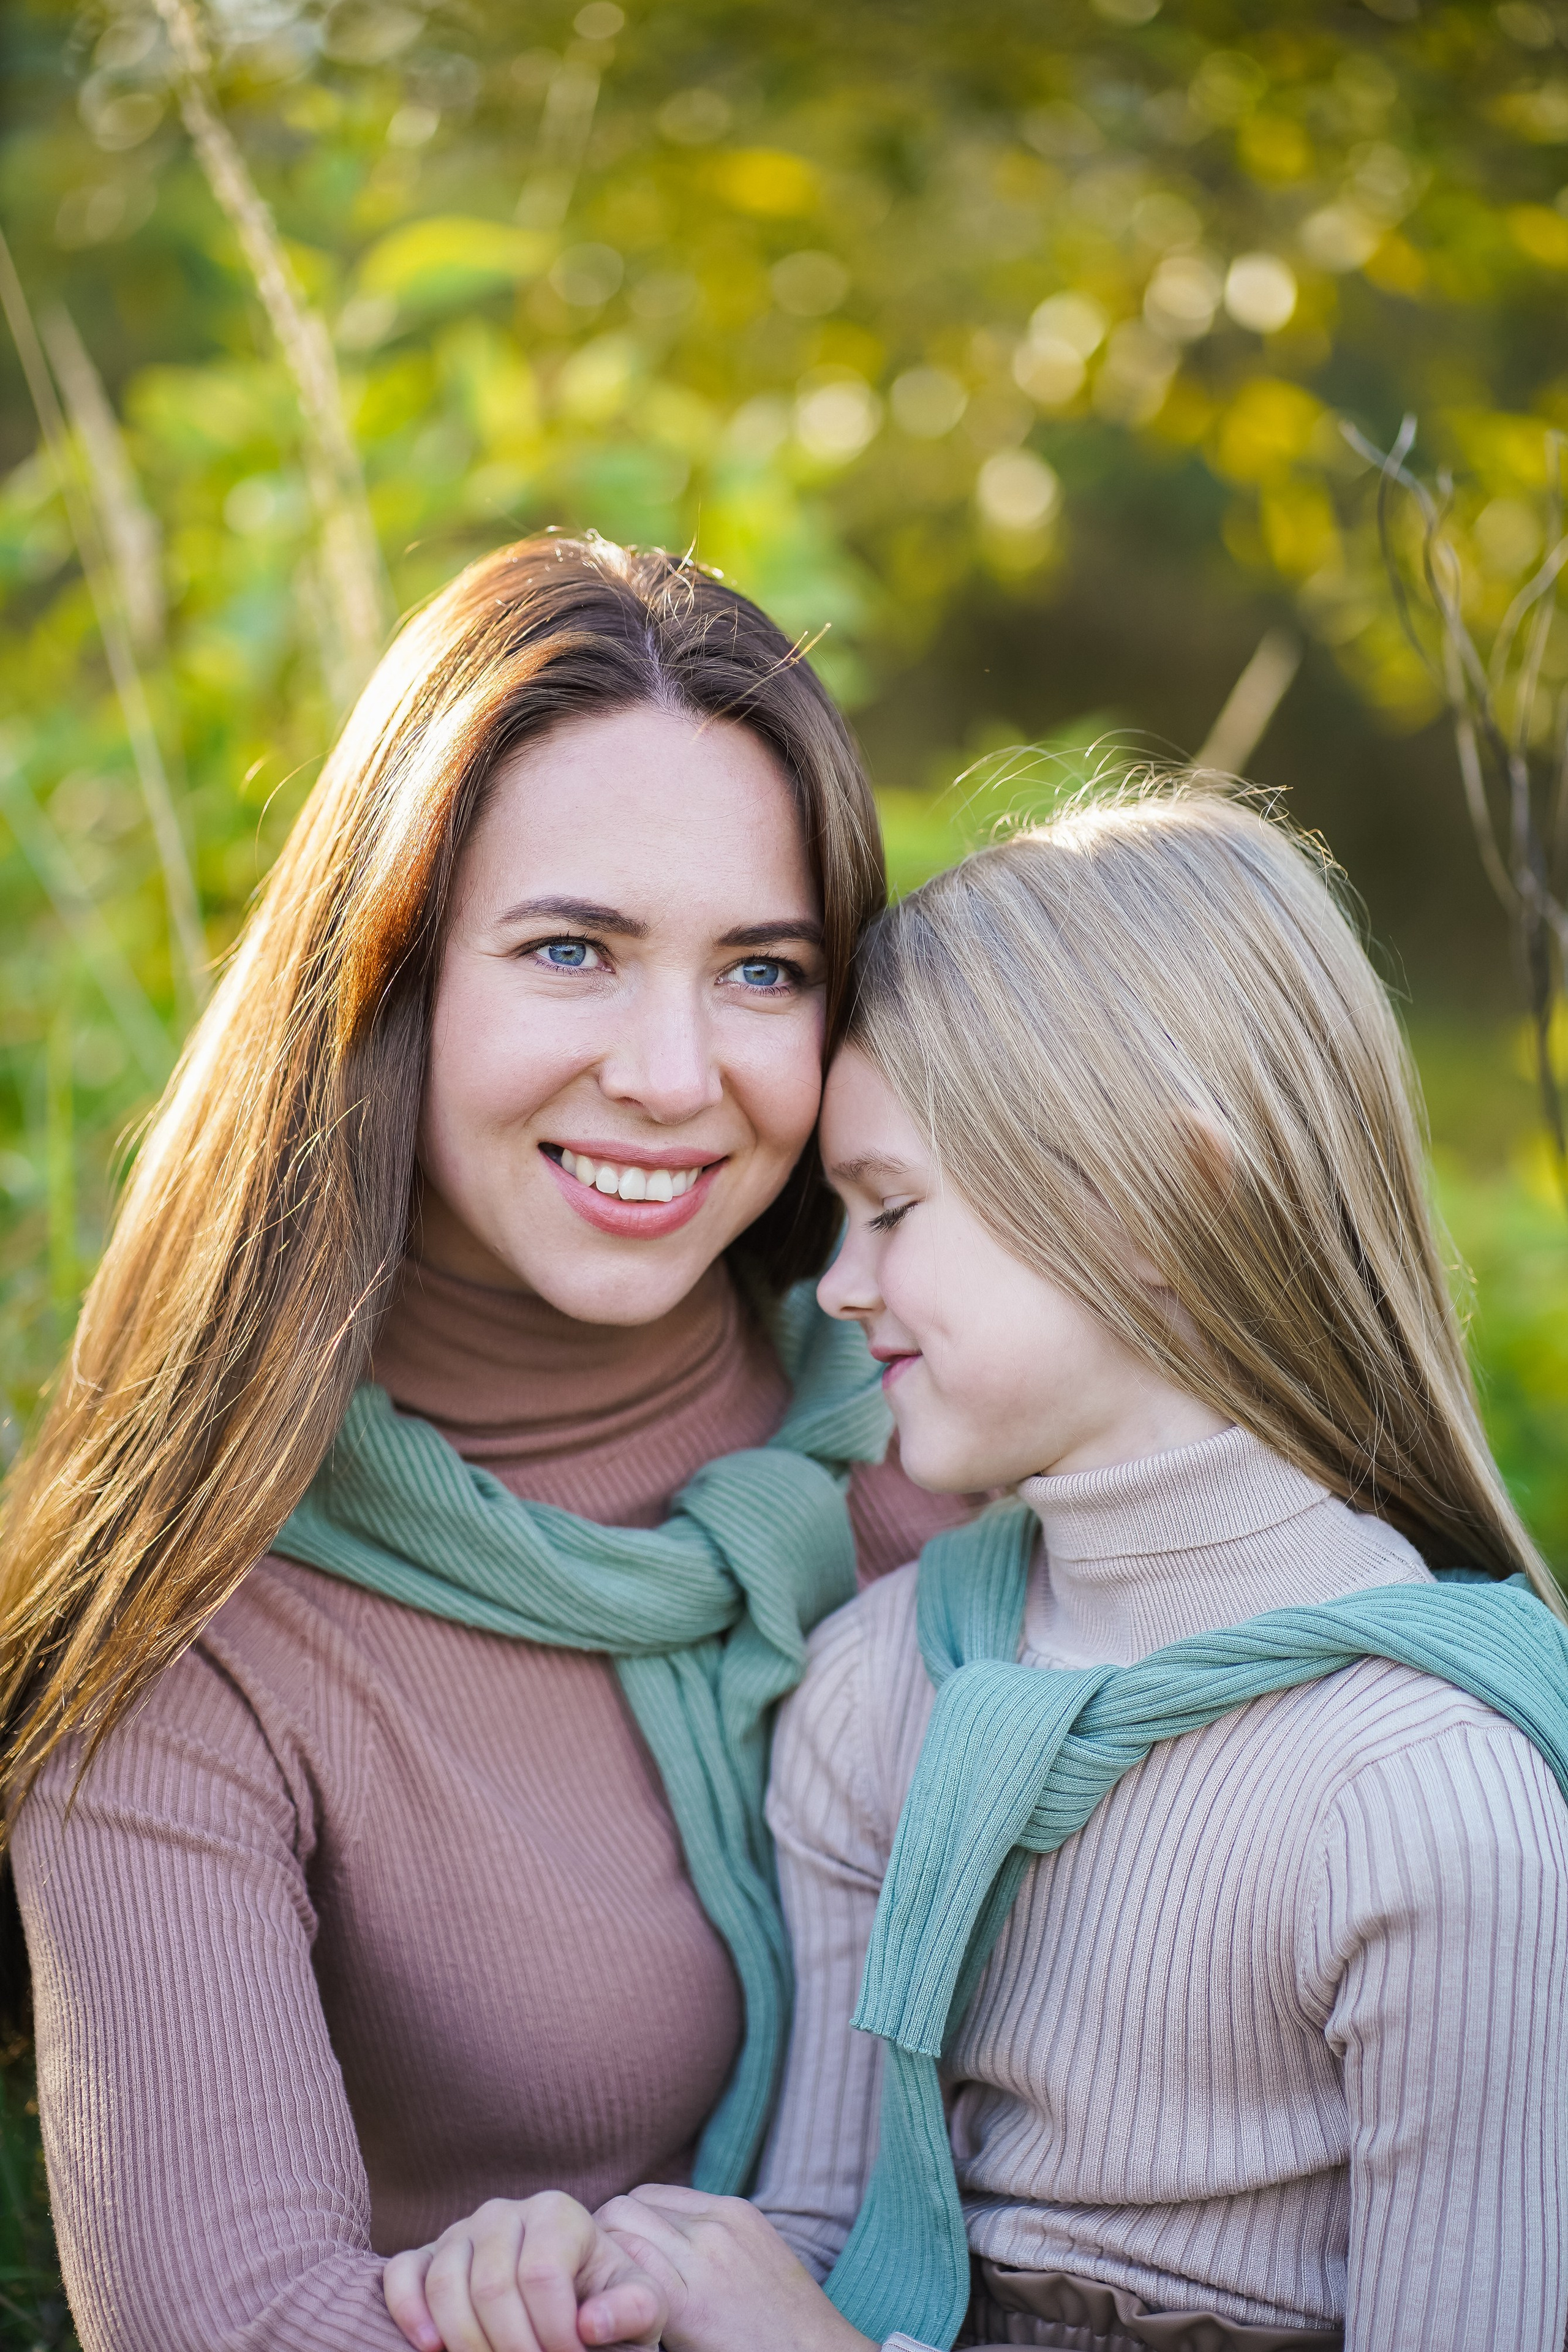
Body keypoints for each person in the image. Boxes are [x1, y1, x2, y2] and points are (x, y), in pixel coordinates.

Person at [394, 782, 1568, 2352]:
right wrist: (618, 2281)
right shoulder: (883, 1685)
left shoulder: (1428, 1798)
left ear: (1164, 1200)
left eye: (889, 1210)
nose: (839, 1285)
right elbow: (827, 2238)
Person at [0, 535, 966, 2352]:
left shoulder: (956, 1419)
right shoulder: (197, 1631)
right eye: (574, 950)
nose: (677, 1076)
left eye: (764, 971)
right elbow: (246, 2328)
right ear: (385, 980)